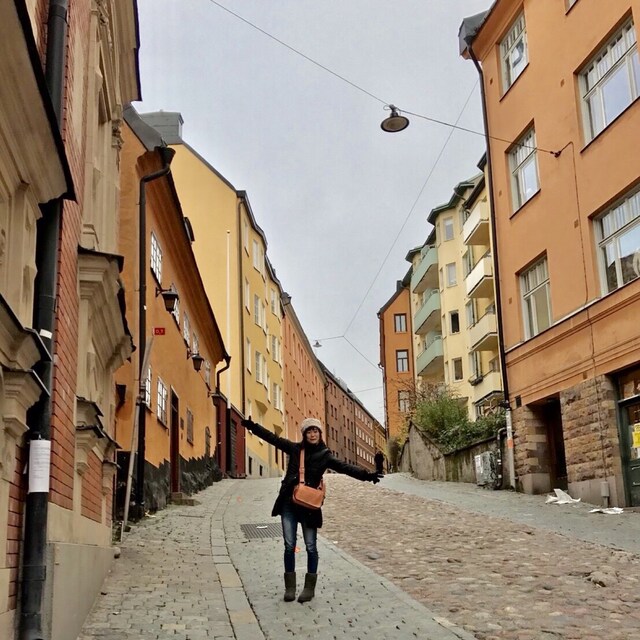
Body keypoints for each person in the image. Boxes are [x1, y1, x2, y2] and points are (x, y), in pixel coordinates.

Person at [240, 416, 383, 603]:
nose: (313, 434)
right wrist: (253, 427)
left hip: (309, 507)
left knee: (311, 547)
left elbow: (345, 467)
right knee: (289, 546)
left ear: (320, 433)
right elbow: (273, 439)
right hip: (289, 503)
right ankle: (290, 588)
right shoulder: (295, 449)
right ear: (304, 434)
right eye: (309, 431)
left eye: (315, 431)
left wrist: (368, 476)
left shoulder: (325, 455)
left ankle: (309, 588)